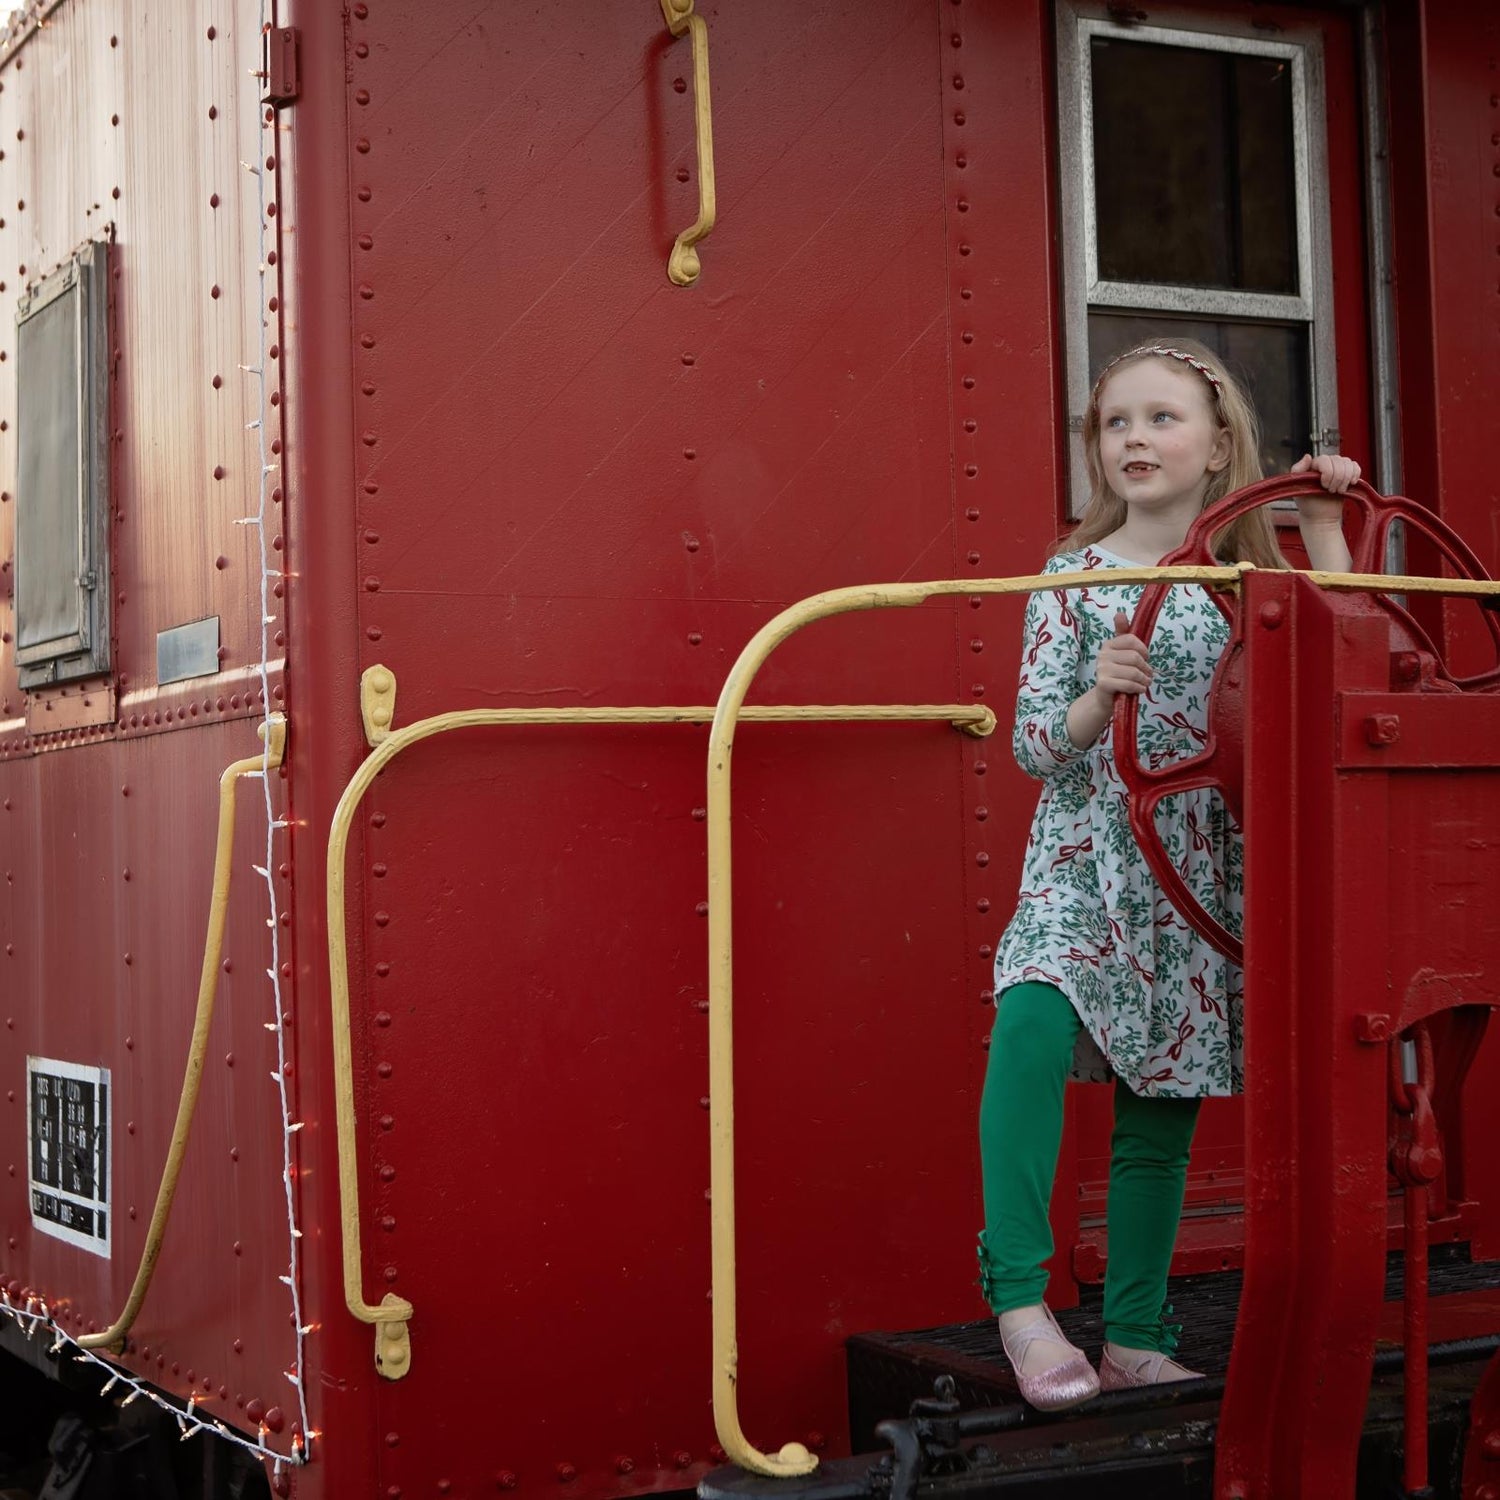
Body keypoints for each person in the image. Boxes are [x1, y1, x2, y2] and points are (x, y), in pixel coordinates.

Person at [977, 339, 1360, 1410]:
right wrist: (1099, 698)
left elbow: (1350, 665)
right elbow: (1035, 750)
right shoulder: (1069, 579)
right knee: (1031, 1025)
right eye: (1116, 424)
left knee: (1164, 1100)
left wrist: (1323, 522)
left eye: (1161, 419)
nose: (1135, 440)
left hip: (1196, 873)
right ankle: (1020, 1301)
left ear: (1220, 441)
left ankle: (1135, 1334)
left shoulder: (1256, 582)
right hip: (1086, 857)